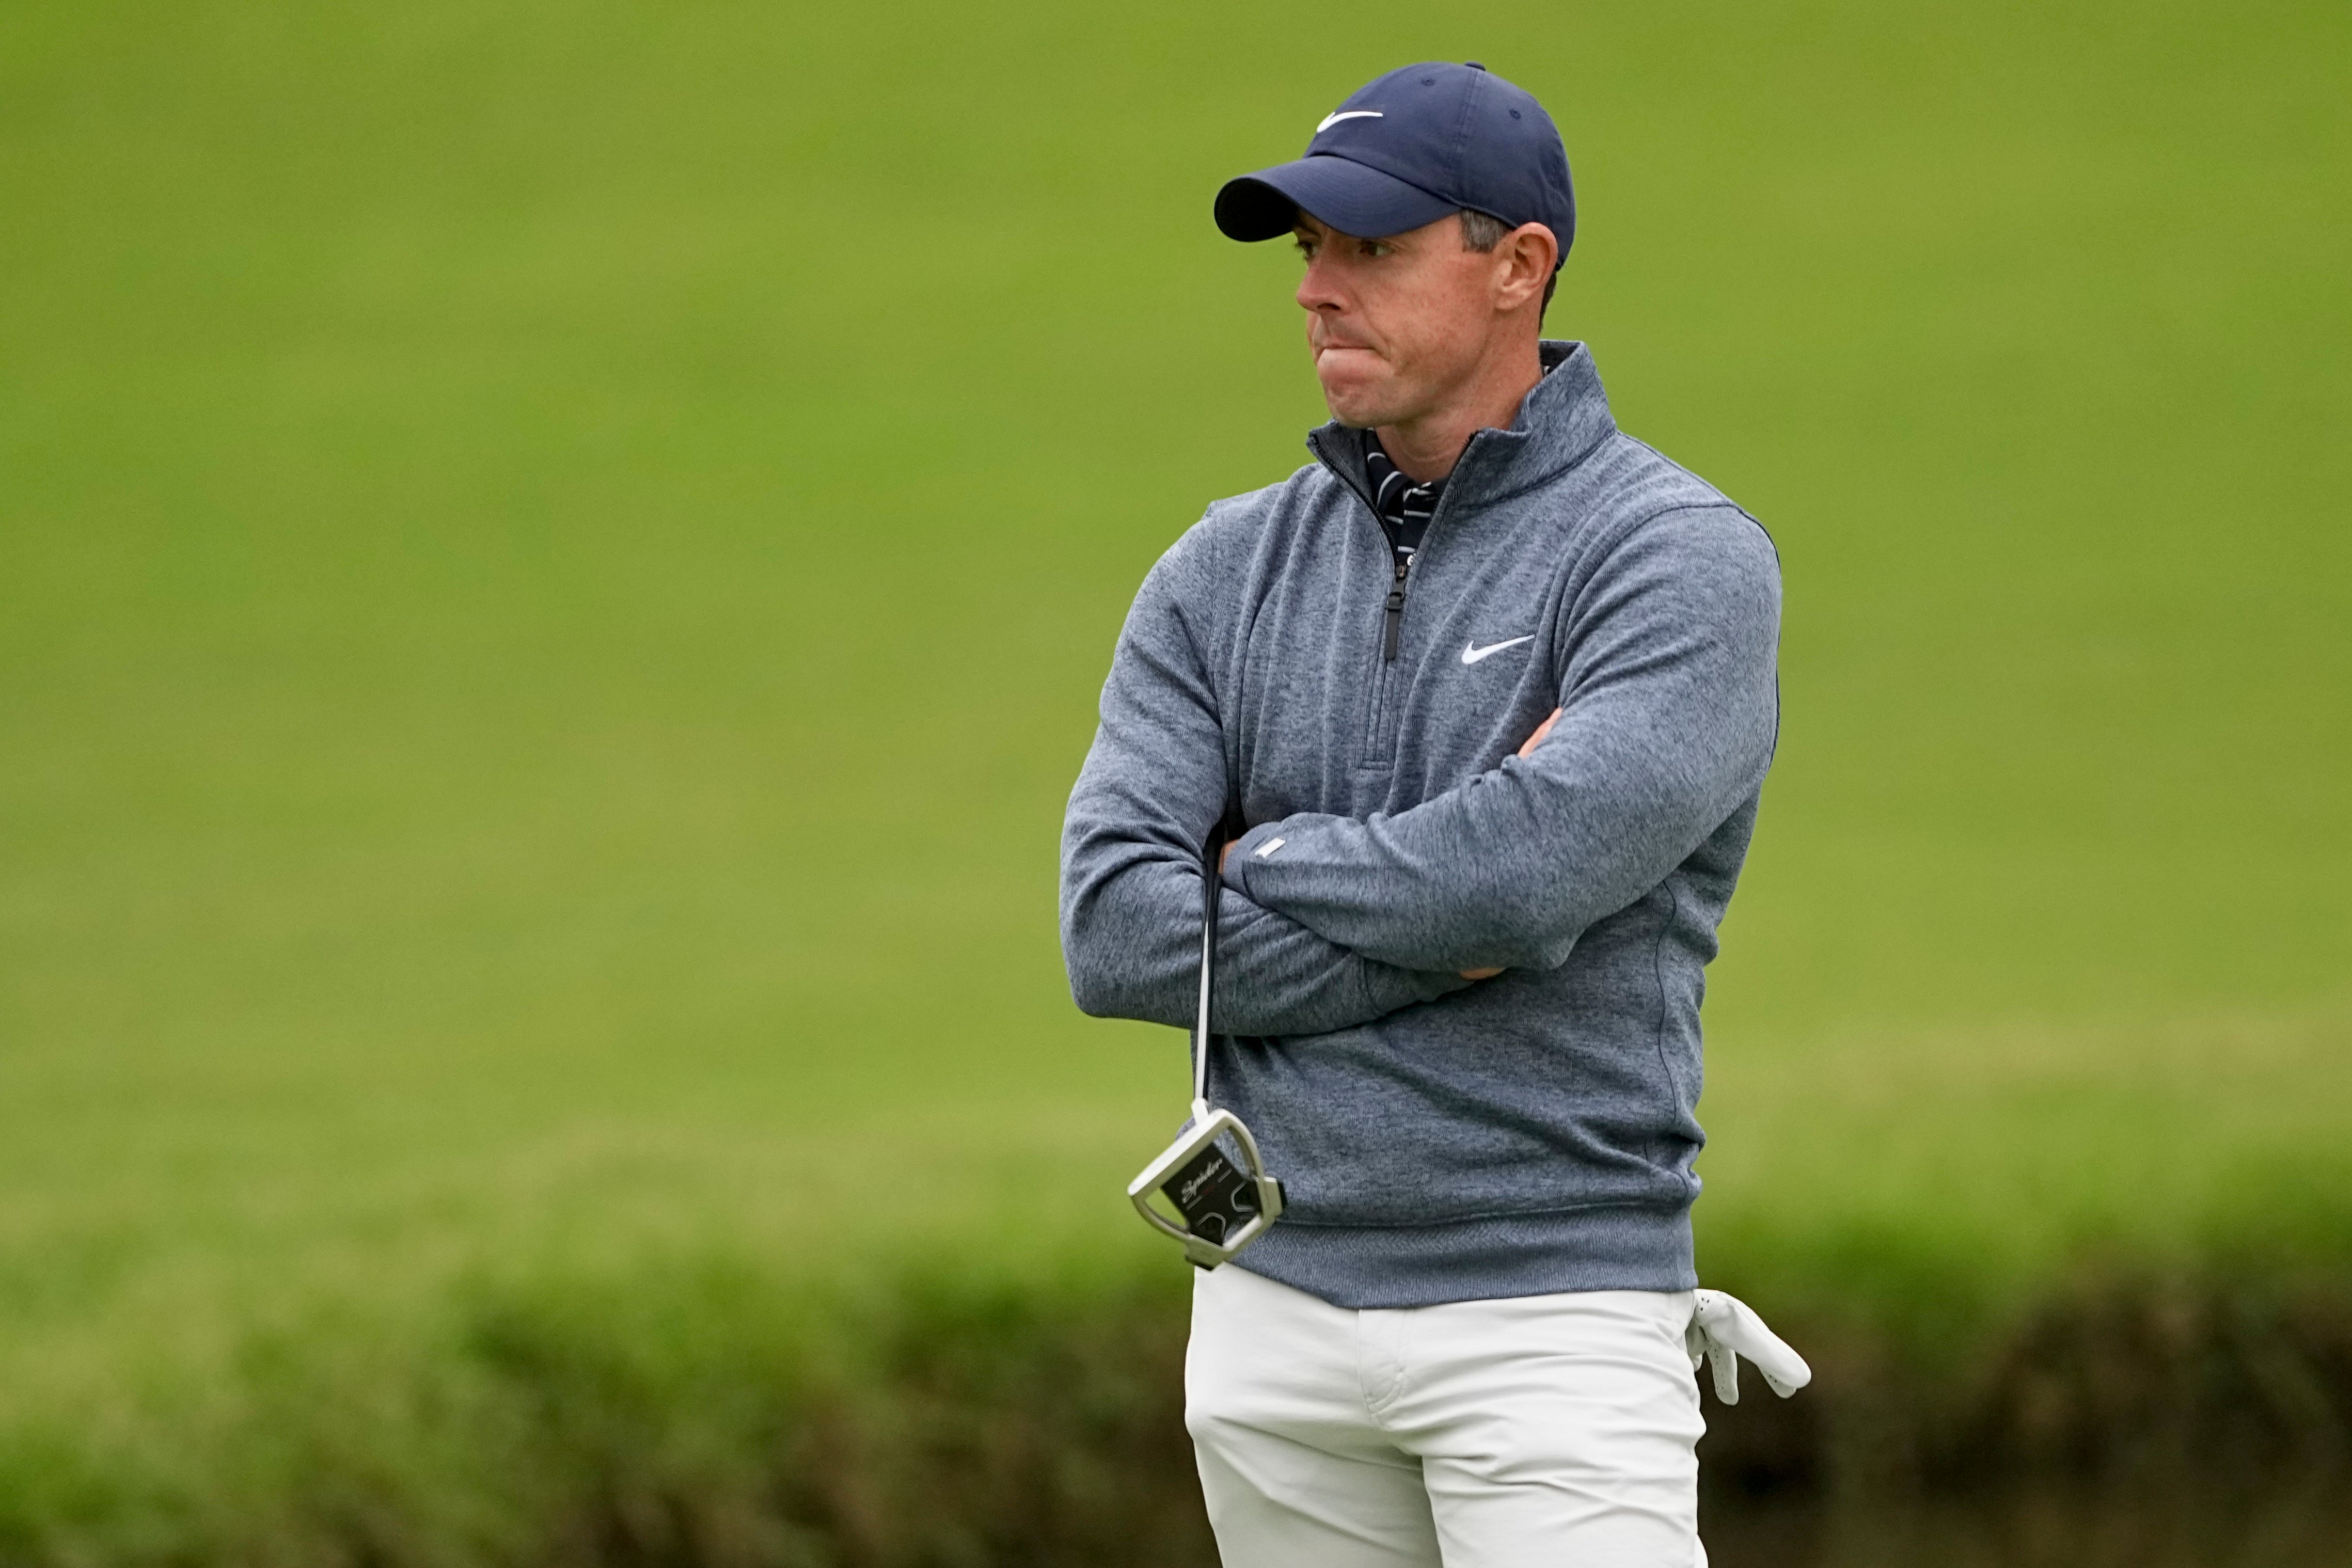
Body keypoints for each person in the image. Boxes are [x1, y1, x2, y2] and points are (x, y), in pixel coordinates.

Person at [1059, 61, 1781, 1567]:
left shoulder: (1672, 560)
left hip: (1552, 1320)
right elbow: (1117, 935)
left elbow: (1523, 884)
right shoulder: (1219, 571)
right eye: (1307, 251)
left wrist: (1255, 867)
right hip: (1268, 1313)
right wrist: (1458, 914)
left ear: (1518, 266)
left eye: (1370, 250)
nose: (1317, 289)